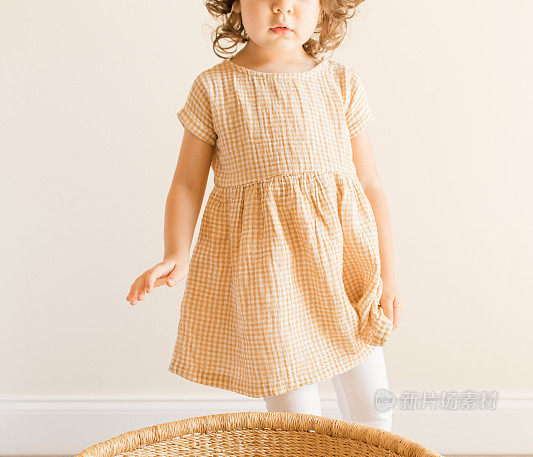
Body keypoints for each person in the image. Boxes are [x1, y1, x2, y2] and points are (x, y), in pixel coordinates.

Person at [125, 0, 402, 430]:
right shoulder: (215, 89)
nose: (282, 8)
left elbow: (371, 187)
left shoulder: (340, 82)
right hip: (267, 279)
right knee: (296, 421)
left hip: (343, 272)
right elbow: (186, 183)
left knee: (374, 409)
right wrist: (176, 251)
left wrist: (389, 275)